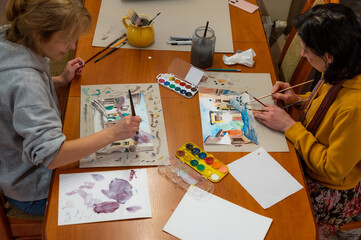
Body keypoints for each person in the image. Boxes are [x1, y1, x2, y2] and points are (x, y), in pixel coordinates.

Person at [0, 0, 141, 216]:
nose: (73, 47)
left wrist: (57, 79)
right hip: (33, 187)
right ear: (39, 34)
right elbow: (53, 156)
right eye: (67, 40)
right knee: (124, 176)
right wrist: (114, 133)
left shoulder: (12, 37)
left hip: (13, 165)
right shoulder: (26, 82)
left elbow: (12, 98)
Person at [253, 4, 361, 239]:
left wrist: (290, 127)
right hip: (310, 154)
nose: (301, 55)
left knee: (270, 214)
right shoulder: (341, 67)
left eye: (306, 50)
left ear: (329, 56)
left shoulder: (356, 106)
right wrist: (298, 99)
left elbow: (333, 169)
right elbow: (326, 107)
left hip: (330, 187)